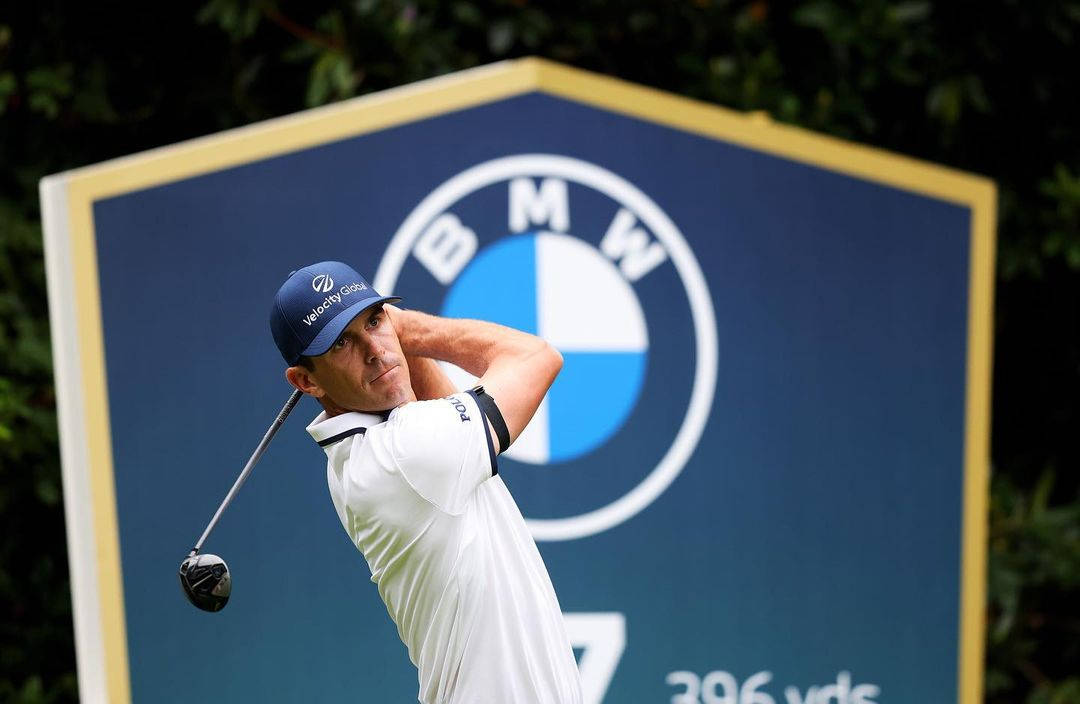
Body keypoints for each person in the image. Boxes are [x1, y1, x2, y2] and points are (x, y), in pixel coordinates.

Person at [270, 260, 584, 704]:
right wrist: (409, 331)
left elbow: (437, 404)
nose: (375, 350)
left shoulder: (382, 447)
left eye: (375, 321)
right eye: (343, 342)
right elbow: (537, 357)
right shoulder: (403, 456)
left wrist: (394, 345)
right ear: (305, 381)